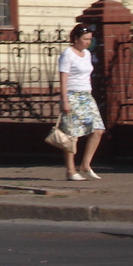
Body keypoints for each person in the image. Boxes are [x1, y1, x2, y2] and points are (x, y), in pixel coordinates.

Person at [58, 24, 105, 180]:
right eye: (85, 39)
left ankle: (85, 164)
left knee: (98, 129)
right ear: (76, 38)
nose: (88, 42)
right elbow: (63, 79)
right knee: (71, 134)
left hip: (86, 95)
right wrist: (65, 101)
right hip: (71, 95)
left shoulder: (87, 54)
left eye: (90, 40)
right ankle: (70, 171)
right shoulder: (68, 54)